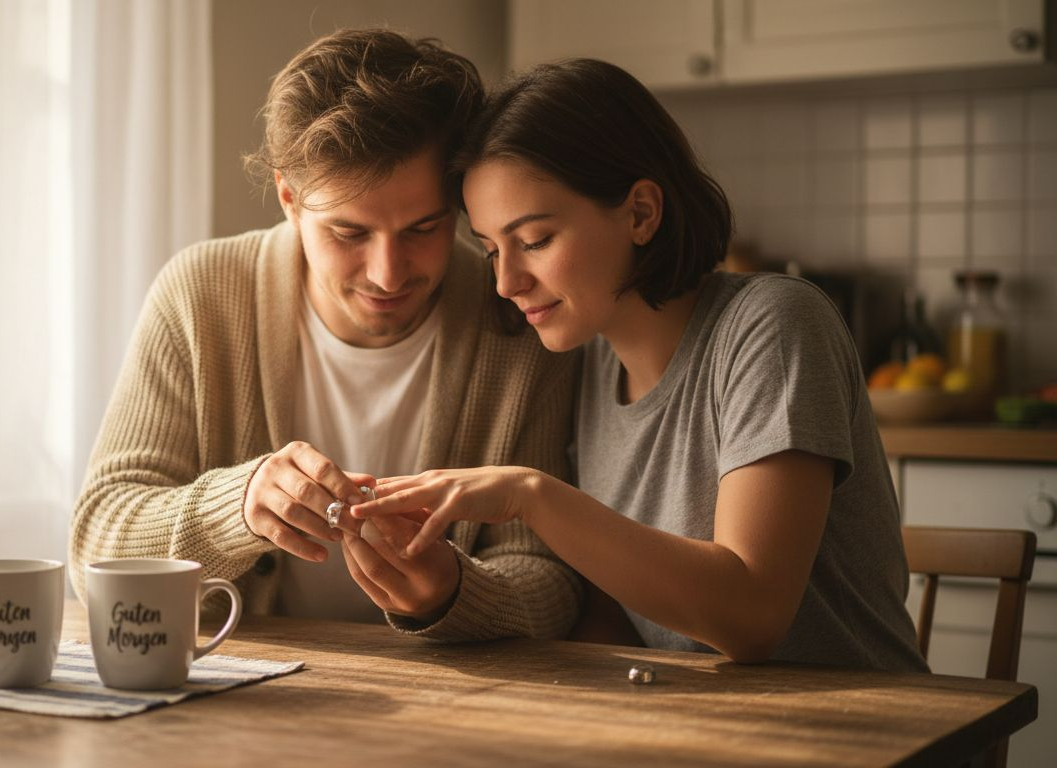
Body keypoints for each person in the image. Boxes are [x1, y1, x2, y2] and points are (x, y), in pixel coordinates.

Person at [353, 59, 929, 670]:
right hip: (709, 728)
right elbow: (614, 614)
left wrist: (530, 495)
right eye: (492, 249)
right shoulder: (591, 364)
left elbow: (754, 617)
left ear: (641, 213)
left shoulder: (774, 324)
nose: (506, 282)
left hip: (865, 735)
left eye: (536, 240)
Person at [69, 29, 581, 641]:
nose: (388, 274)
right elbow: (95, 542)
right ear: (289, 198)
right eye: (350, 233)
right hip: (243, 699)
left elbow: (554, 580)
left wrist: (452, 592)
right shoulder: (200, 295)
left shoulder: (519, 316)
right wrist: (240, 506)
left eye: (424, 227)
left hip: (451, 700)